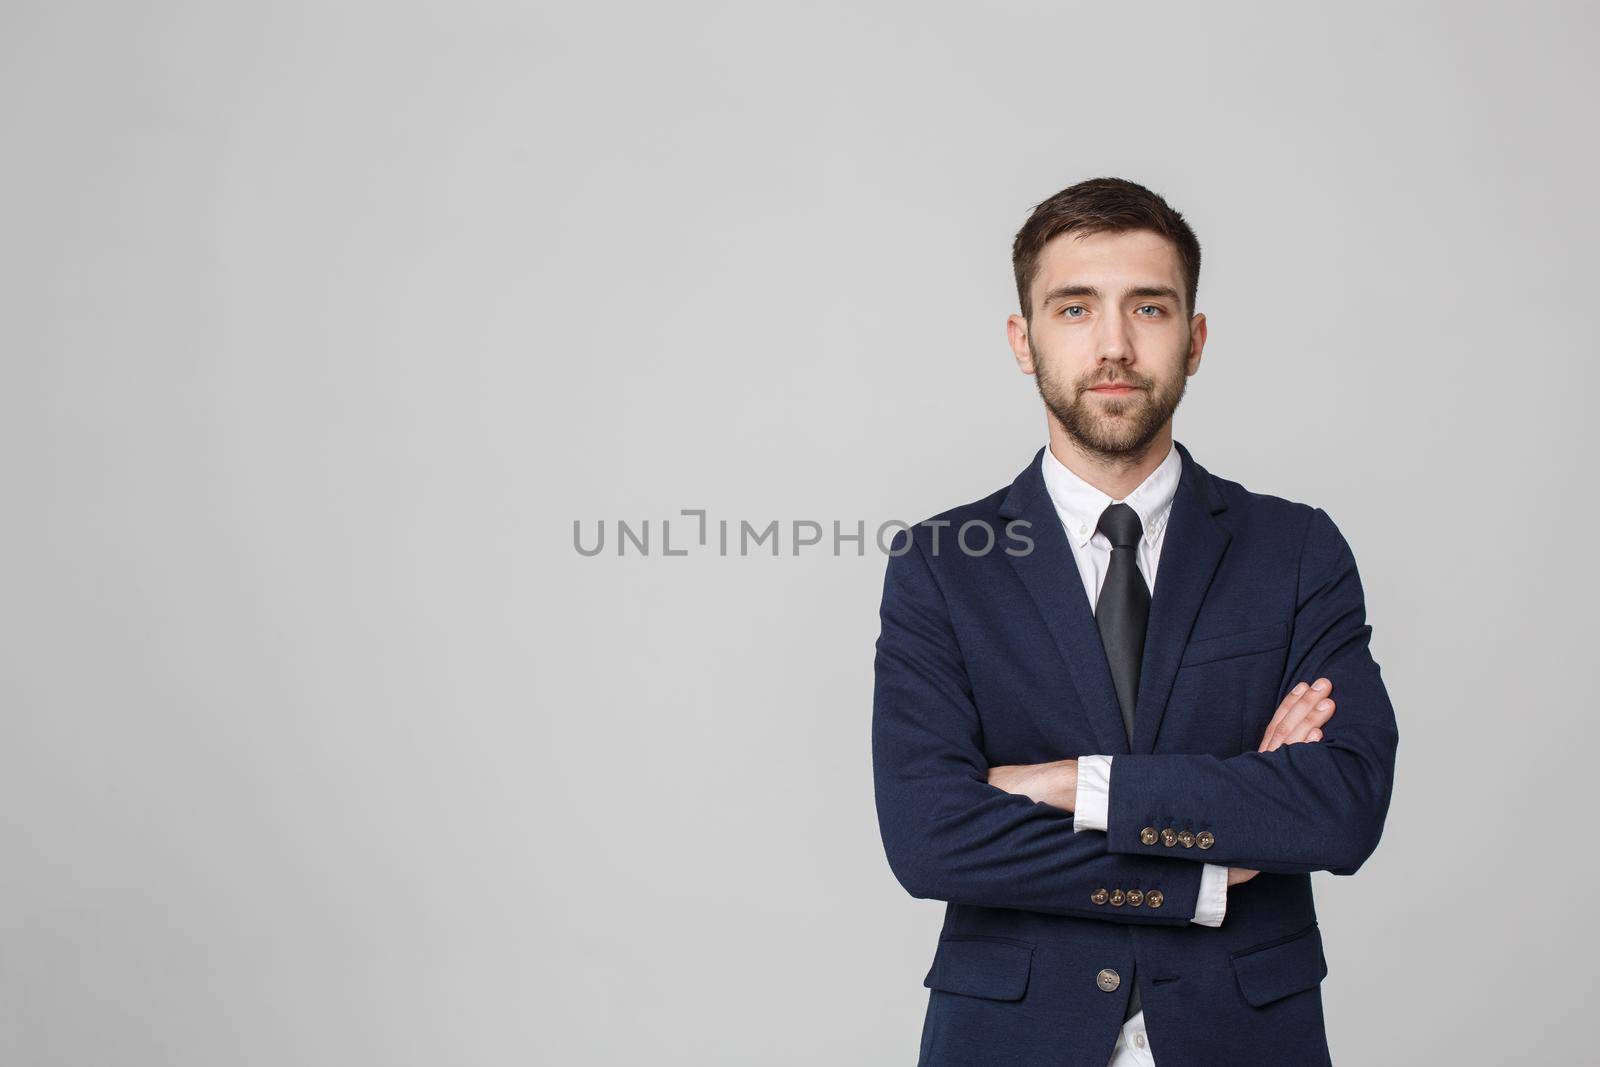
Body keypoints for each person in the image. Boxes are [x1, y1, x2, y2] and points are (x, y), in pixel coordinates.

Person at [870, 177, 1399, 1066]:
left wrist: (1074, 783)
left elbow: (1339, 809)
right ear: (1022, 339)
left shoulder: (1294, 550)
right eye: (1074, 308)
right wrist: (1200, 869)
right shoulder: (939, 564)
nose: (1113, 345)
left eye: (1147, 308)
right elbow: (932, 838)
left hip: (1245, 1037)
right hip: (1010, 1038)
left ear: (1193, 340)